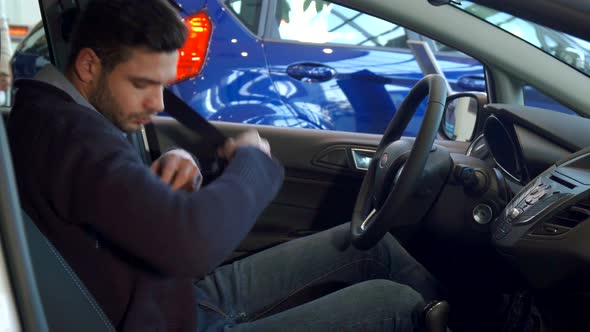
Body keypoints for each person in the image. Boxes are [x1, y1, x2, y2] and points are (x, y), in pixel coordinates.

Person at [8, 0, 445, 331]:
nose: (158, 103)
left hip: (174, 295)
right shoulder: (68, 136)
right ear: (88, 65)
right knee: (395, 305)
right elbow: (189, 241)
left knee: (373, 248)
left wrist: (176, 161)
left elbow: (117, 197)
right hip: (168, 317)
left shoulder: (65, 114)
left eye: (164, 85)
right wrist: (253, 162)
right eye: (142, 84)